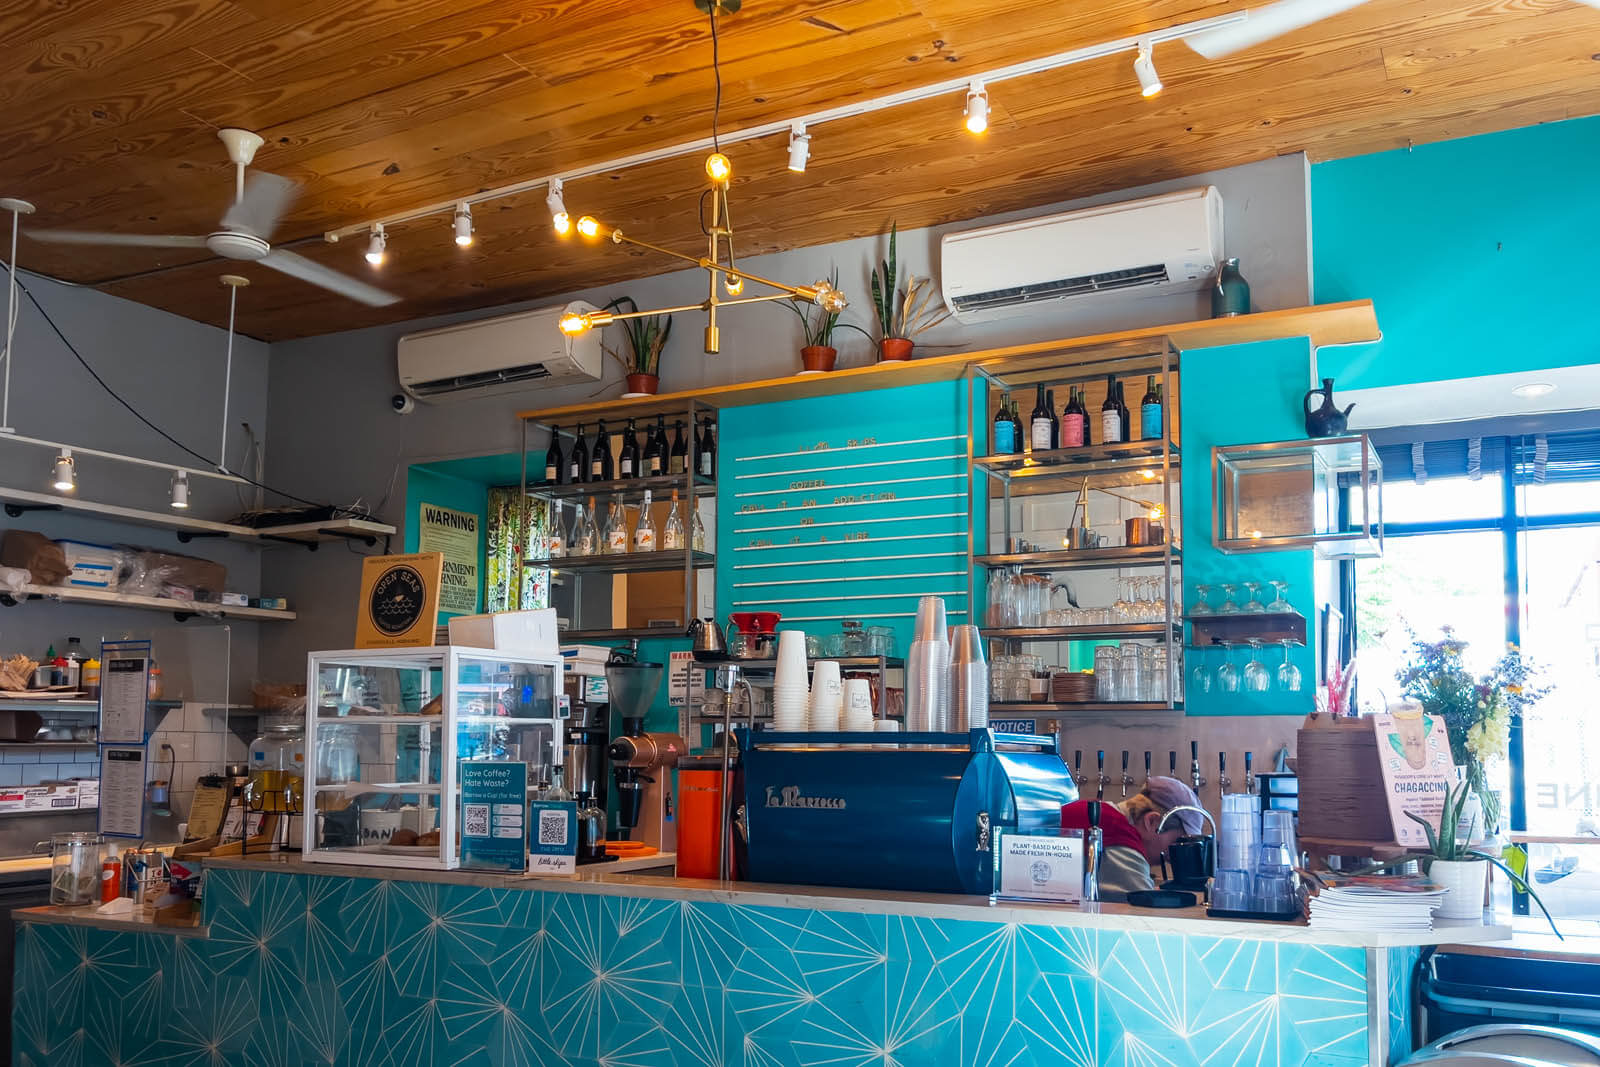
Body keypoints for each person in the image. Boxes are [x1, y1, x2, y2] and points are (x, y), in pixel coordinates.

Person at [1060, 776, 1204, 899]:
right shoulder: (1119, 837)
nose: (1172, 856)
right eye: (1177, 841)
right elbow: (1145, 913)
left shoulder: (1098, 812)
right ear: (1151, 821)